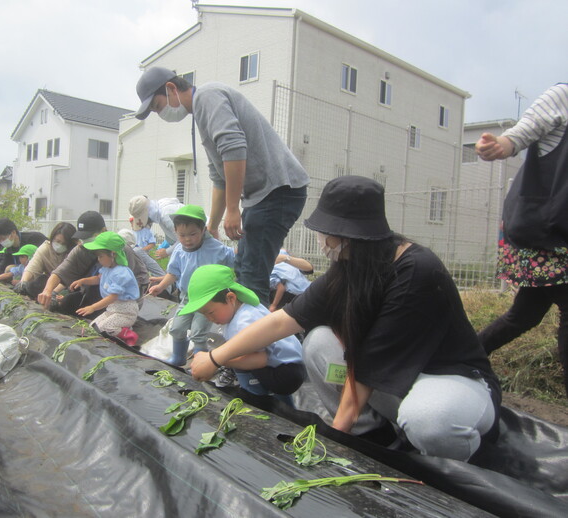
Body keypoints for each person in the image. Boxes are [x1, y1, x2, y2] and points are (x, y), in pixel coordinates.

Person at [191, 176, 501, 462]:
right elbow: (280, 322)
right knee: (317, 343)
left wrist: (335, 439)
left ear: (351, 237)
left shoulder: (415, 273)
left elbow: (368, 366)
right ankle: (373, 435)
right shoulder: (352, 268)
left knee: (429, 420)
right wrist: (217, 358)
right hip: (394, 382)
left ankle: (458, 471)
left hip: (448, 380)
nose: (322, 241)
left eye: (327, 234)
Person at [134, 67, 309, 304]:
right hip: (264, 195)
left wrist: (233, 209)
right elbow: (219, 176)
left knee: (252, 277)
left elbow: (233, 148)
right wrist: (212, 225)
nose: (160, 113)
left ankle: (253, 337)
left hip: (277, 191)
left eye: (157, 105)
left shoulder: (207, 96)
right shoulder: (202, 112)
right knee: (244, 267)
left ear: (171, 89)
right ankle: (248, 332)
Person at [476, 83, 568, 398]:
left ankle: (463, 355)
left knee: (526, 314)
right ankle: (463, 355)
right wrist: (502, 144)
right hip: (544, 231)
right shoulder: (563, 97)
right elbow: (524, 131)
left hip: (558, 233)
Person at [181, 264, 304, 406]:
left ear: (230, 298)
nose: (209, 319)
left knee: (237, 359)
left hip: (285, 373)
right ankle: (287, 409)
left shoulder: (244, 321)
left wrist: (219, 361)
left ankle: (255, 400)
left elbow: (261, 359)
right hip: (290, 367)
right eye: (204, 314)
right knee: (234, 354)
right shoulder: (242, 308)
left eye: (210, 312)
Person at [149, 205, 235, 366]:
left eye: (193, 234)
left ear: (203, 230)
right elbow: (173, 273)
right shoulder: (179, 251)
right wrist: (160, 286)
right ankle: (179, 357)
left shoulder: (215, 248)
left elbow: (235, 260)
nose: (187, 239)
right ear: (175, 232)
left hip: (207, 298)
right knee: (176, 328)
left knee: (198, 333)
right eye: (182, 235)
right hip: (187, 298)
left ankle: (200, 362)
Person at [37, 211, 149, 317]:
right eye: (83, 238)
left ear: (103, 231)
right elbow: (61, 272)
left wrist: (94, 307)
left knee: (101, 318)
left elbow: (120, 289)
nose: (85, 241)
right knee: (68, 304)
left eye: (89, 237)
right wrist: (48, 291)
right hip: (99, 288)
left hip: (123, 299)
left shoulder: (119, 250)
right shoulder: (81, 249)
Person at [72, 232, 140, 345]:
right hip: (112, 309)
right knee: (94, 327)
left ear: (113, 254)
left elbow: (113, 297)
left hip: (125, 312)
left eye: (101, 256)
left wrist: (93, 307)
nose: (98, 259)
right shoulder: (107, 269)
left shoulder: (121, 273)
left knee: (105, 328)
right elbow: (98, 279)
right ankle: (118, 331)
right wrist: (83, 281)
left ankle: (128, 334)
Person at [16, 222, 77, 298]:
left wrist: (53, 292)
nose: (60, 245)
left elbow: (66, 277)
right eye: (57, 241)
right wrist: (23, 282)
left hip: (67, 287)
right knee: (38, 282)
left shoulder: (74, 253)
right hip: (49, 285)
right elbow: (32, 267)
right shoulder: (45, 248)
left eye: (64, 244)